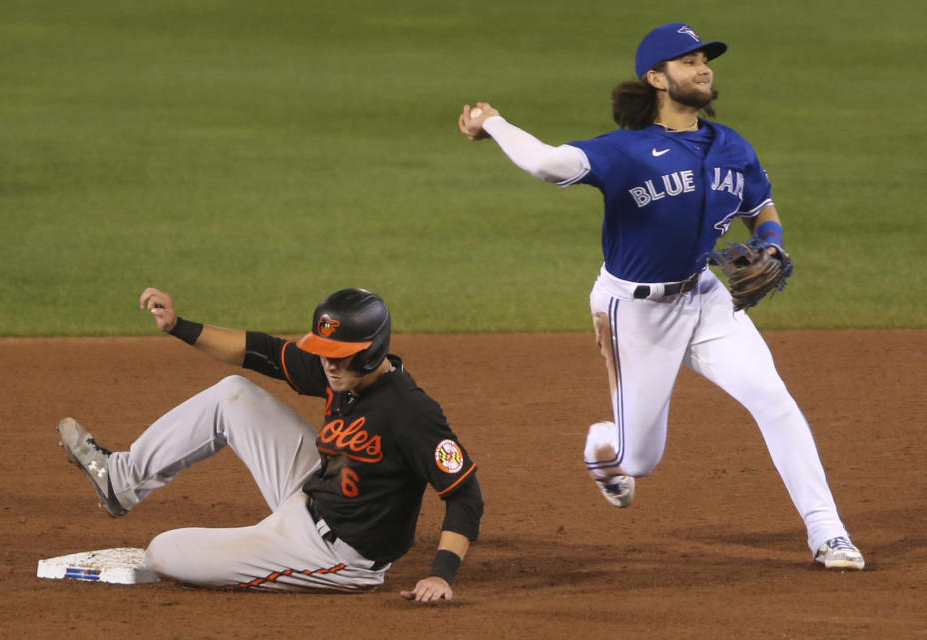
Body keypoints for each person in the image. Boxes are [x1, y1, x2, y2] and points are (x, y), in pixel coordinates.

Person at [457, 22, 863, 570]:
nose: (703, 68)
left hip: (707, 298)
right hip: (635, 312)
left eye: (705, 59)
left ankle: (827, 532)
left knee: (774, 400)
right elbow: (547, 164)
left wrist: (770, 243)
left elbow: (759, 205)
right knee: (639, 459)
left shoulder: (731, 145)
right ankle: (605, 447)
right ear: (657, 78)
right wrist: (493, 122)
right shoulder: (626, 152)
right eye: (688, 61)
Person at [57, 286, 484, 600]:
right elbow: (262, 352)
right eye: (324, 351)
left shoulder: (410, 411)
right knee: (232, 394)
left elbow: (465, 496)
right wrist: (178, 326)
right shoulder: (340, 372)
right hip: (313, 490)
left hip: (336, 554)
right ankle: (120, 479)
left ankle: (273, 547)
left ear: (371, 352)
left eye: (340, 353)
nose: (328, 363)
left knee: (162, 553)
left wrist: (441, 575)